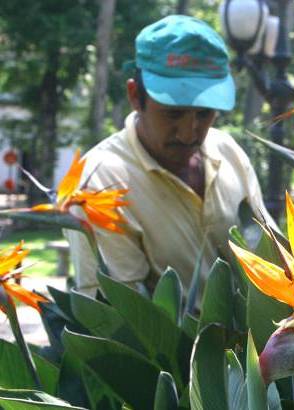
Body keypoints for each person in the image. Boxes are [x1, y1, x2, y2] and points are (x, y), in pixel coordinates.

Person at [65, 15, 274, 296]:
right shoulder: (99, 180)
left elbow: (270, 254)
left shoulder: (229, 153)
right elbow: (119, 312)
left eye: (204, 113)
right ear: (135, 96)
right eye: (173, 113)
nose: (190, 133)